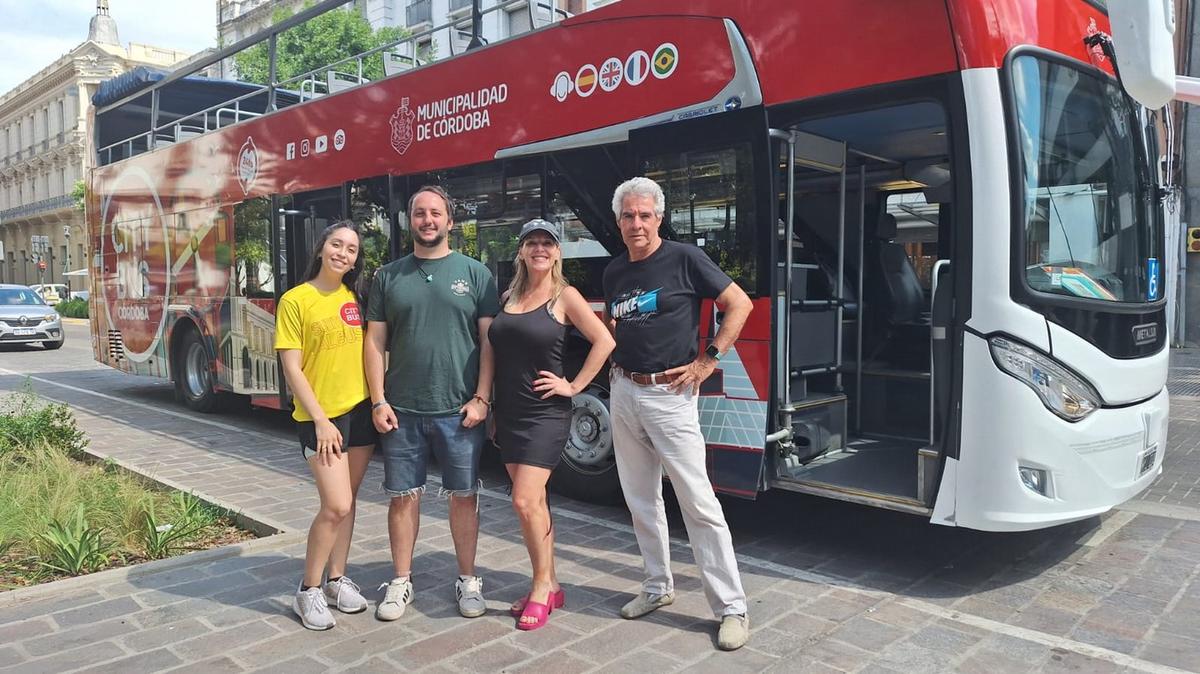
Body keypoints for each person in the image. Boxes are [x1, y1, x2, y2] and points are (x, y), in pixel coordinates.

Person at [602, 177, 755, 651]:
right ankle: (656, 586)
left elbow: (739, 304)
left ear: (659, 218)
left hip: (670, 395)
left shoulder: (685, 258)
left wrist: (709, 359)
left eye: (645, 215)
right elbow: (615, 323)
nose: (636, 224)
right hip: (624, 390)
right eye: (628, 216)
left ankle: (731, 608)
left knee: (698, 502)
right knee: (640, 498)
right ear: (619, 221)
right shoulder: (613, 273)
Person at [365, 185, 499, 621]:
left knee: (464, 496)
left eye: (436, 213)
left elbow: (488, 342)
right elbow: (374, 341)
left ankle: (467, 579)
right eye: (419, 213)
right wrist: (378, 400)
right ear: (410, 221)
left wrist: (482, 398)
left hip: (460, 410)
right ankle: (401, 581)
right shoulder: (388, 276)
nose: (428, 220)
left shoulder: (476, 274)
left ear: (450, 221)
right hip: (401, 409)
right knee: (403, 497)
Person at [489, 219, 615, 631]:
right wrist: (487, 403)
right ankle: (552, 583)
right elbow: (495, 351)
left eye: (548, 243)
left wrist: (575, 385)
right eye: (532, 243)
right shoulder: (508, 296)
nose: (540, 249)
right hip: (508, 412)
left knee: (524, 501)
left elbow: (605, 341)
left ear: (557, 252)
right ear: (522, 252)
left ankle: (541, 586)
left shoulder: (566, 296)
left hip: (545, 413)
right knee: (536, 503)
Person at [275, 220, 377, 631]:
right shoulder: (296, 300)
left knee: (348, 502)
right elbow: (292, 369)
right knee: (335, 505)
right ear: (321, 249)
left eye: (351, 249)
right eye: (337, 244)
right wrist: (320, 420)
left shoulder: (358, 297)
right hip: (320, 418)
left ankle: (337, 580)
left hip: (359, 411)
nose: (343, 253)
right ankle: (308, 589)